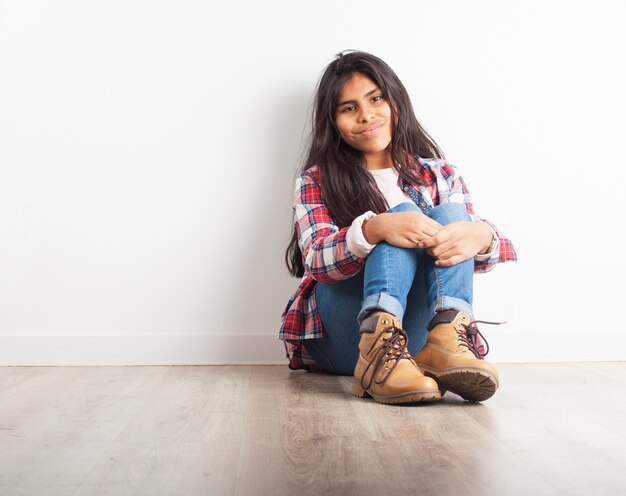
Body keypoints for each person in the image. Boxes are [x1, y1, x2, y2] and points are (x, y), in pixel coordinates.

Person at [278, 50, 517, 405]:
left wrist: (481, 237)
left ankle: (447, 341)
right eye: (348, 108)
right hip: (345, 336)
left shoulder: (439, 174)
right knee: (395, 217)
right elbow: (315, 258)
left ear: (396, 101)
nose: (366, 115)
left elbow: (476, 257)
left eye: (375, 99)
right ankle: (377, 345)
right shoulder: (317, 179)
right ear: (334, 122)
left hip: (415, 339)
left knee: (454, 215)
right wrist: (375, 229)